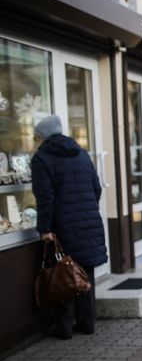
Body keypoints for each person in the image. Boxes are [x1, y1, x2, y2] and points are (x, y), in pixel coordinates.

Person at [31, 115, 107, 340]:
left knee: (62, 272)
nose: (35, 141)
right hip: (89, 221)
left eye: (35, 137)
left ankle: (64, 328)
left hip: (62, 225)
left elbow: (45, 197)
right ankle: (87, 322)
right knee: (85, 273)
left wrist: (44, 227)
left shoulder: (42, 158)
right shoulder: (81, 154)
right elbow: (96, 189)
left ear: (42, 137)